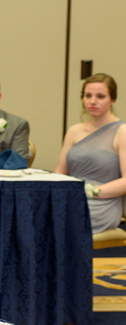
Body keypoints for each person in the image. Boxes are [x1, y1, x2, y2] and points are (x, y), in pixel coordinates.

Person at [55, 74, 126, 234]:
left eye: (100, 96)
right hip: (72, 197)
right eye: (88, 96)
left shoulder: (122, 132)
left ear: (112, 99)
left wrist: (92, 191)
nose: (92, 101)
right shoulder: (74, 131)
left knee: (60, 221)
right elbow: (60, 171)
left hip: (101, 203)